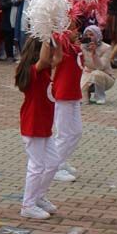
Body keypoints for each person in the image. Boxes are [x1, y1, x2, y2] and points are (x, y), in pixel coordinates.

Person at [14, 37, 62, 220]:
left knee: (53, 163)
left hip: (44, 126)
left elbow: (58, 57)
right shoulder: (34, 70)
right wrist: (45, 35)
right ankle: (28, 204)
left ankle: (38, 196)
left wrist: (55, 37)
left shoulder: (46, 69)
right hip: (33, 125)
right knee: (37, 166)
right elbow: (44, 59)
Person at [52, 20, 85, 182]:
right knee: (64, 133)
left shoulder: (76, 48)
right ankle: (53, 167)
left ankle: (60, 160)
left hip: (74, 94)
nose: (76, 31)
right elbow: (56, 36)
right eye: (72, 29)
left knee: (77, 131)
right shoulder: (62, 47)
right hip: (63, 94)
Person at [81, 25, 115, 104]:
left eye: (91, 35)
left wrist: (94, 53)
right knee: (83, 99)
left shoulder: (106, 47)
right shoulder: (82, 46)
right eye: (86, 35)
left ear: (97, 35)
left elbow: (100, 67)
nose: (89, 37)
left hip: (105, 76)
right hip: (87, 74)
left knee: (96, 74)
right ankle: (85, 97)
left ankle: (100, 97)